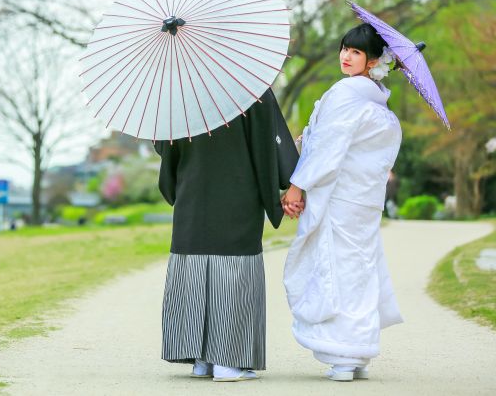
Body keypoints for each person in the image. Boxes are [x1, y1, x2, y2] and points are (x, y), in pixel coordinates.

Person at [281, 23, 404, 382]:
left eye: (356, 52)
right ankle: (360, 352)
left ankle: (344, 356)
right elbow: (353, 145)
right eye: (345, 49)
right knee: (360, 268)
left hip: (340, 198)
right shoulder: (375, 99)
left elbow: (330, 149)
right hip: (363, 200)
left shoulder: (346, 93)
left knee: (339, 268)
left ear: (373, 61)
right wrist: (316, 134)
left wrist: (296, 186)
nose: (346, 57)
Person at [154, 88, 300, 382]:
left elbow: (164, 146)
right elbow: (272, 141)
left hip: (191, 196)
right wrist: (292, 183)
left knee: (192, 270)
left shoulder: (178, 91)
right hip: (238, 193)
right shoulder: (250, 87)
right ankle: (228, 362)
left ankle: (201, 359)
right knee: (235, 273)